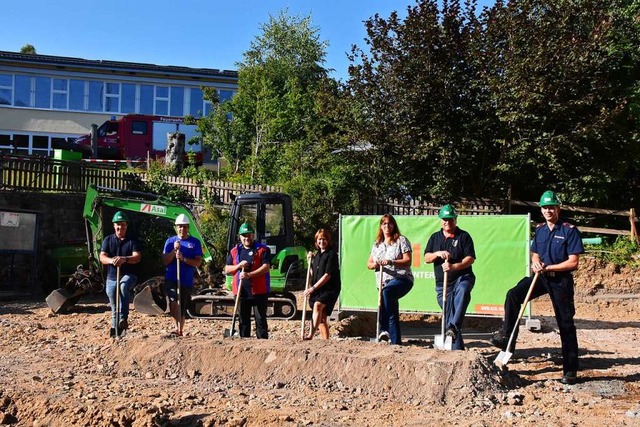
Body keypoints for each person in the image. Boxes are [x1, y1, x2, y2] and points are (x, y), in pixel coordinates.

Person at [490, 190, 584, 385]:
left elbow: (573, 262)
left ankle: (570, 369)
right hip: (540, 277)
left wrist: (549, 267)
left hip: (560, 280)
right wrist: (535, 263)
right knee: (514, 295)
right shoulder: (540, 229)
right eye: (545, 207)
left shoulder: (569, 230)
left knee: (565, 323)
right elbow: (535, 253)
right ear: (541, 210)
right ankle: (507, 337)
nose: (548, 210)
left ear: (558, 208)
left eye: (551, 207)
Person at [424, 204, 476, 350]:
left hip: (462, 277)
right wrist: (437, 254)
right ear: (441, 220)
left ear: (455, 219)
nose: (447, 222)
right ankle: (457, 350)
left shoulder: (464, 236)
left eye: (450, 219)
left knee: (464, 290)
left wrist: (454, 266)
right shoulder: (435, 238)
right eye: (444, 219)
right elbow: (426, 258)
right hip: (443, 285)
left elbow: (470, 258)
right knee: (449, 314)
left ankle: (454, 326)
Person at [366, 214, 414, 345]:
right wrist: (375, 265)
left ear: (394, 225)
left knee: (387, 293)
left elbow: (408, 260)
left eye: (389, 223)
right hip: (382, 282)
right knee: (389, 306)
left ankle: (385, 329)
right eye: (384, 224)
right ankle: (395, 341)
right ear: (381, 226)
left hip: (401, 279)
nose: (387, 226)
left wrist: (391, 261)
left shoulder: (401, 240)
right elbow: (369, 263)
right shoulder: (377, 244)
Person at [224, 222, 271, 339]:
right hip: (241, 293)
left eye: (249, 235)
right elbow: (227, 269)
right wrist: (238, 266)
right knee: (243, 322)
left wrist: (249, 275)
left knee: (260, 321)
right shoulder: (234, 251)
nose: (246, 238)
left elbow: (266, 267)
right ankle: (244, 344)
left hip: (259, 292)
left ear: (253, 235)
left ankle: (263, 345)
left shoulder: (262, 249)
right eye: (244, 235)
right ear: (240, 237)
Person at [99, 211, 142, 338]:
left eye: (122, 225)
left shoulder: (132, 241)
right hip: (112, 277)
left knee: (123, 286)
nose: (120, 227)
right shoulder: (108, 240)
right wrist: (112, 260)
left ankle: (123, 318)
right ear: (114, 226)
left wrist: (125, 259)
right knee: (113, 305)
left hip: (129, 275)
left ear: (126, 226)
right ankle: (115, 331)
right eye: (118, 225)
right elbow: (102, 257)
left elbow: (137, 257)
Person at [161, 214, 203, 337]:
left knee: (182, 307)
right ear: (176, 227)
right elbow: (164, 261)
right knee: (174, 302)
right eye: (180, 227)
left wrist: (183, 259)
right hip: (171, 278)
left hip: (186, 279)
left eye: (184, 227)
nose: (182, 229)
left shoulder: (194, 242)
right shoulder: (170, 242)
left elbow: (197, 262)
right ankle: (176, 328)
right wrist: (174, 252)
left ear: (188, 227)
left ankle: (180, 330)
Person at [303, 229, 341, 340]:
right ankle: (326, 341)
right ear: (316, 241)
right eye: (319, 239)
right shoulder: (317, 256)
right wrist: (309, 262)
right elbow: (313, 274)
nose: (322, 241)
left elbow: (327, 275)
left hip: (330, 288)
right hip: (318, 288)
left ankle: (310, 335)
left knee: (317, 305)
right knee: (322, 318)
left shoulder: (332, 255)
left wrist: (312, 288)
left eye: (324, 239)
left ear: (328, 240)